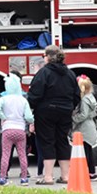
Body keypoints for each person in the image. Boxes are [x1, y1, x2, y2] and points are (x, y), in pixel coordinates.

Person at [27, 45, 81, 185]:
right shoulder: (70, 73)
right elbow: (76, 95)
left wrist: (31, 108)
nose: (43, 58)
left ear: (48, 57)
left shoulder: (44, 73)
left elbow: (35, 95)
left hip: (46, 111)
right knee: (62, 141)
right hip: (65, 111)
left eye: (43, 55)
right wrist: (69, 107)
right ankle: (65, 176)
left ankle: (48, 177)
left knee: (47, 142)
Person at [0, 73, 35, 186]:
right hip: (20, 130)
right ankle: (24, 178)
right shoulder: (23, 100)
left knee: (6, 154)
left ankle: (2, 177)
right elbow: (28, 116)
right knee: (22, 154)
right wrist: (31, 122)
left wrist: (3, 117)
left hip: (7, 130)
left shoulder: (4, 98)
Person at [72, 75, 97, 181]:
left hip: (84, 128)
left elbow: (83, 115)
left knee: (84, 152)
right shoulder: (91, 97)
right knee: (88, 151)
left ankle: (89, 173)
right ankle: (91, 172)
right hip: (90, 126)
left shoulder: (84, 100)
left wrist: (73, 118)